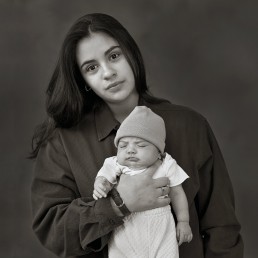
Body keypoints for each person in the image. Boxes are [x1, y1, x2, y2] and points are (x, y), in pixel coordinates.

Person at [30, 13, 243, 258]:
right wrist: (117, 205)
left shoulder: (190, 126)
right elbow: (52, 230)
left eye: (114, 56)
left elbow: (222, 227)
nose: (108, 72)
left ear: (131, 54)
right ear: (84, 80)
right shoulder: (62, 143)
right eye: (91, 67)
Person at [93, 106, 192, 257]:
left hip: (160, 228)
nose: (130, 150)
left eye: (141, 145)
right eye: (123, 145)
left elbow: (177, 193)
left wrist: (183, 221)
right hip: (125, 227)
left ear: (159, 152)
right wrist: (101, 185)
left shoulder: (166, 164)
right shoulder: (115, 164)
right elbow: (104, 178)